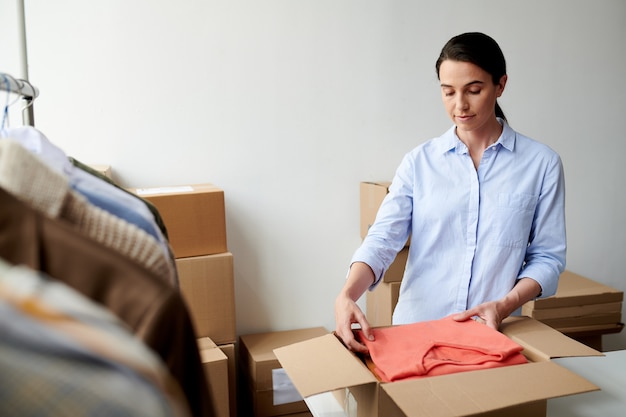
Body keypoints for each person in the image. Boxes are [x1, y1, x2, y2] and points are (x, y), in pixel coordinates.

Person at [335, 32, 566, 353]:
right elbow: (383, 238)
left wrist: (503, 305)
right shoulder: (419, 162)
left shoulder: (541, 164)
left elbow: (547, 257)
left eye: (474, 90)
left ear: (500, 85)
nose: (460, 105)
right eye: (448, 92)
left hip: (492, 335)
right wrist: (347, 294)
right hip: (415, 331)